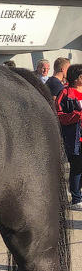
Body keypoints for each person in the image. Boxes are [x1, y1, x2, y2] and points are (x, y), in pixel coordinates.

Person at [55, 64, 82, 209]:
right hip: (74, 137)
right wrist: (76, 115)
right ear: (76, 78)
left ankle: (77, 192)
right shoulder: (65, 93)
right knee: (76, 167)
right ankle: (76, 197)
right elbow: (59, 115)